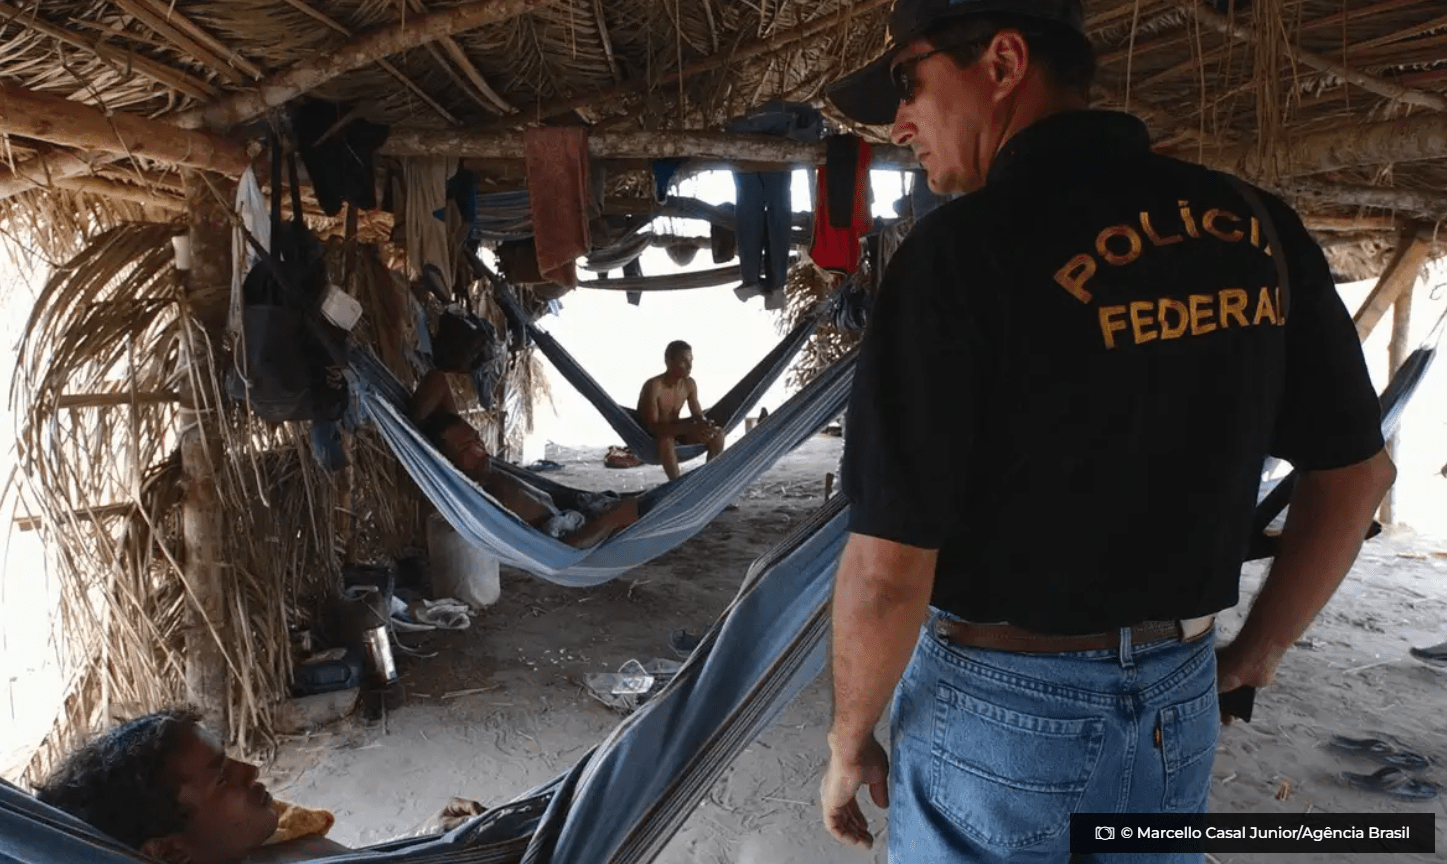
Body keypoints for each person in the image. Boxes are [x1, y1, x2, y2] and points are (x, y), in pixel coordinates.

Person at [817, 0, 1396, 860]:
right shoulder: (1254, 226)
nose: (900, 122)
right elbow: (1356, 477)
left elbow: (887, 571)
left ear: (1002, 63)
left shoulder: (955, 255)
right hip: (1177, 697)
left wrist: (847, 738)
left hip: (1000, 708)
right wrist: (1254, 654)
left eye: (909, 83)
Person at [34, 707, 488, 864]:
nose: (250, 771)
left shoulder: (255, 843)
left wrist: (421, 843)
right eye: (221, 777)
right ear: (170, 851)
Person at [412, 367, 638, 548]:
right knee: (635, 513)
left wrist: (414, 433)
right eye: (465, 448)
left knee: (641, 503)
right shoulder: (488, 496)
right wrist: (611, 520)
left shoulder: (484, 467)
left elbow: (437, 379)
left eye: (477, 438)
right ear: (444, 461)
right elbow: (562, 550)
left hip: (575, 510)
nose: (480, 448)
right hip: (582, 533)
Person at [636, 340, 725, 481]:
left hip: (677, 432)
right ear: (668, 361)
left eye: (691, 360)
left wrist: (705, 426)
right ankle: (677, 485)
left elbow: (698, 415)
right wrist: (689, 427)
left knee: (718, 433)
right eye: (684, 361)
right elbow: (652, 428)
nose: (690, 366)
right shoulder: (654, 386)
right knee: (666, 440)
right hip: (653, 439)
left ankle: (709, 478)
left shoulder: (689, 384)